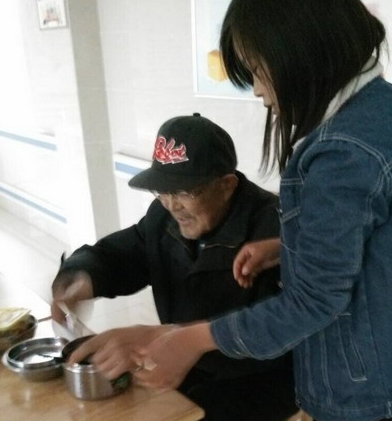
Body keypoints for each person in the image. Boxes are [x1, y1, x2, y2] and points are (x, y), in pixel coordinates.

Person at [96, 1, 392, 421]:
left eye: (257, 70)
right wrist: (287, 246)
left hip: (362, 376)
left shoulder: (343, 152)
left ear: (301, 51)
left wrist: (191, 340)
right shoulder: (385, 106)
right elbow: (370, 226)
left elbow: (311, 302)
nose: (258, 91)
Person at [52, 112, 298, 421]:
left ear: (226, 185)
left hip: (260, 377)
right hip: (188, 362)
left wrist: (170, 337)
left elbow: (278, 325)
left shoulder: (275, 228)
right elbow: (125, 252)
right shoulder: (162, 216)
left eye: (184, 192)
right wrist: (81, 275)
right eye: (163, 190)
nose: (172, 204)